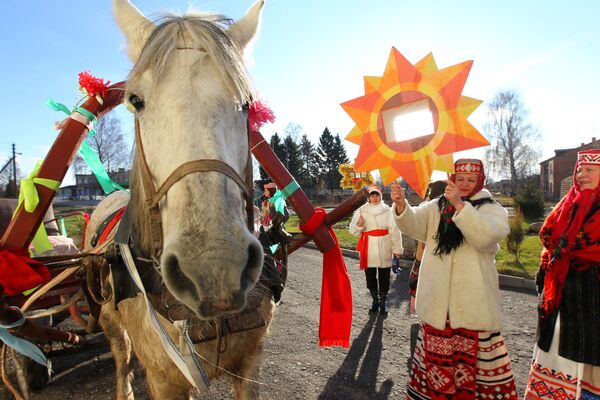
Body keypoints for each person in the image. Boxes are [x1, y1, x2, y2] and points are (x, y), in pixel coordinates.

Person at [391, 158, 518, 399]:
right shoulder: (437, 206)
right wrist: (401, 206)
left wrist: (460, 205)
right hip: (440, 306)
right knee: (435, 368)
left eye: (471, 180)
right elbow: (415, 224)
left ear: (480, 181)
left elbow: (486, 237)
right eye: (460, 179)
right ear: (452, 179)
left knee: (478, 374)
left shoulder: (491, 208)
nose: (466, 184)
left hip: (474, 305)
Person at [524, 149, 600, 399]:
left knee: (589, 367)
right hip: (558, 295)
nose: (581, 174)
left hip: (592, 299)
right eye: (579, 170)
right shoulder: (567, 205)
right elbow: (548, 237)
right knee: (554, 351)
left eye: (589, 170)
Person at [349, 185, 403, 316]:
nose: (375, 198)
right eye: (372, 195)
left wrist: (397, 249)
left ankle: (383, 302)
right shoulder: (362, 210)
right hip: (369, 247)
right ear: (368, 197)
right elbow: (353, 231)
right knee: (370, 275)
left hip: (385, 245)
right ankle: (375, 300)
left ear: (381, 196)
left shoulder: (388, 211)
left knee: (384, 275)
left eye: (377, 195)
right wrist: (359, 225)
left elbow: (394, 231)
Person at [408, 180, 447, 315]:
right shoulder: (434, 206)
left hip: (425, 249)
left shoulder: (425, 205)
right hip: (434, 249)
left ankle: (418, 306)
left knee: (418, 279)